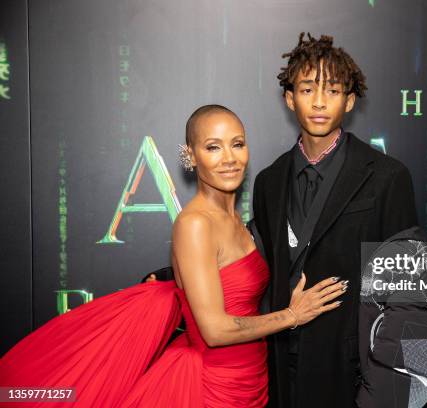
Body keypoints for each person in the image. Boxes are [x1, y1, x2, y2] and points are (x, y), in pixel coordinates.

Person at [0, 104, 347, 407]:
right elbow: (214, 330)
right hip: (211, 388)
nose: (229, 158)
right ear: (191, 155)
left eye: (237, 144)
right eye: (213, 147)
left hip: (251, 381)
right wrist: (292, 315)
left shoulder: (239, 221)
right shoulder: (194, 223)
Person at [250, 33, 427, 408]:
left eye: (332, 90)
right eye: (306, 89)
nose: (318, 102)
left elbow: (411, 292)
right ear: (289, 98)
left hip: (351, 371)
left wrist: (382, 392)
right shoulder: (269, 181)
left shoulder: (386, 176)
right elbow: (255, 262)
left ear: (349, 101)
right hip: (282, 366)